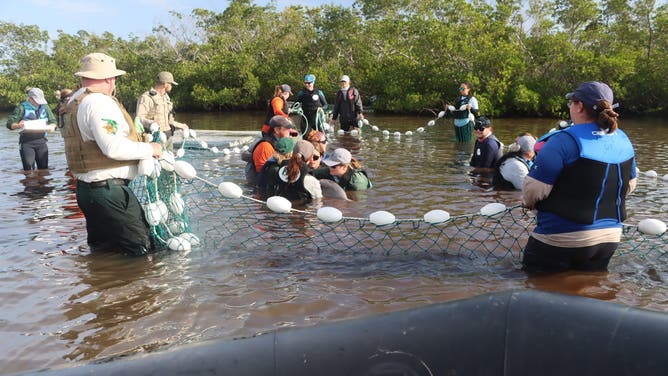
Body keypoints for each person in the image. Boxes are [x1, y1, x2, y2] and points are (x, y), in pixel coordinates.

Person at [522, 81, 637, 272]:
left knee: (536, 290)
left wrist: (529, 203)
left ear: (579, 106)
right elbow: (630, 185)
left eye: (571, 103)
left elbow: (533, 189)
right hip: (609, 238)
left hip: (560, 237)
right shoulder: (623, 139)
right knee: (591, 290)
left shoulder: (562, 140)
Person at [60, 52, 163, 255]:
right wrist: (151, 148)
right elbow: (113, 148)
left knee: (102, 254)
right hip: (109, 193)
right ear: (109, 79)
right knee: (142, 252)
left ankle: (102, 285)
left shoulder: (73, 101)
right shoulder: (99, 103)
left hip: (86, 192)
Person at [6, 87, 57, 170]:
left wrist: (52, 126)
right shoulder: (21, 107)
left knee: (44, 169)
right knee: (29, 169)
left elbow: (53, 121)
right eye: (37, 100)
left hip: (41, 141)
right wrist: (19, 125)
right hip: (26, 143)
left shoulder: (45, 107)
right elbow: (10, 124)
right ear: (30, 98)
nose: (39, 103)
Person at [135, 71, 189, 139]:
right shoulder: (146, 98)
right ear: (165, 84)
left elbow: (169, 121)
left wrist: (181, 125)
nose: (171, 86)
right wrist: (152, 123)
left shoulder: (166, 98)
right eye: (171, 84)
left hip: (168, 136)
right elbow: (139, 119)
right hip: (154, 137)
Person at [245, 115, 297, 184]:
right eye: (287, 128)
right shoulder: (265, 146)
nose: (289, 131)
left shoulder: (281, 143)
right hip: (259, 186)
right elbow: (262, 172)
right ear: (277, 130)